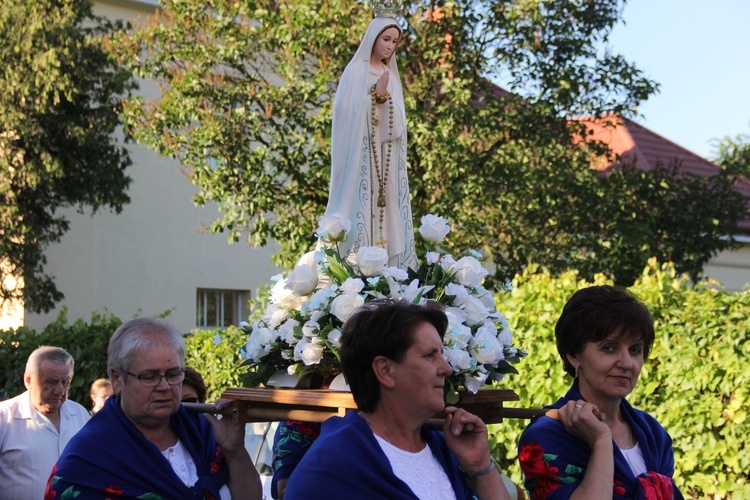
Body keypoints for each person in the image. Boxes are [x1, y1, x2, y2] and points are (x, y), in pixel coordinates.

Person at [284, 299, 511, 499]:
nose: (447, 368)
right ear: (385, 370)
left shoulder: (443, 450)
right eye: (430, 356)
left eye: (442, 354)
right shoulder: (333, 466)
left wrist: (479, 466)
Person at [46, 317, 262, 499]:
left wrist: (234, 452)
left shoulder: (204, 432)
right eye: (149, 377)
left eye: (173, 374)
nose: (165, 387)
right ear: (117, 379)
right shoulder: (89, 456)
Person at [518, 285, 683, 499]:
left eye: (635, 350)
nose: (626, 363)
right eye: (609, 347)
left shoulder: (654, 434)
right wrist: (600, 440)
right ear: (574, 354)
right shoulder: (545, 436)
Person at [325, 15, 417, 270]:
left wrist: (384, 98)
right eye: (386, 39)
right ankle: (357, 266)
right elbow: (346, 115)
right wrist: (373, 97)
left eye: (394, 41)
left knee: (389, 213)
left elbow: (398, 125)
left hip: (385, 160)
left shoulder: (392, 76)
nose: (390, 46)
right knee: (360, 209)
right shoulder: (355, 71)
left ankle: (389, 267)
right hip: (361, 159)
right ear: (373, 39)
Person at [0, 346, 90, 500]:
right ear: (28, 380)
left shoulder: (80, 414)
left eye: (66, 382)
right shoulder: (4, 417)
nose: (60, 390)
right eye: (51, 382)